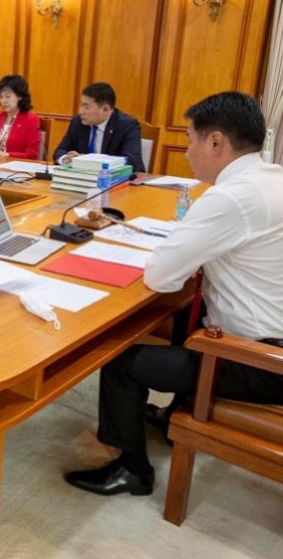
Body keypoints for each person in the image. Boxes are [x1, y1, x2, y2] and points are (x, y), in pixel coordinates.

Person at [63, 92, 283, 497]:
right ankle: (168, 418)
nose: (186, 153)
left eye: (190, 140)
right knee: (185, 317)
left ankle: (132, 469)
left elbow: (162, 277)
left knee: (121, 362)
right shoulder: (272, 178)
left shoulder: (230, 197)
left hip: (259, 361)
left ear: (216, 142)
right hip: (268, 340)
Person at [53, 82, 144, 172]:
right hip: (83, 177)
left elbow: (132, 160)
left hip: (114, 178)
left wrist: (92, 161)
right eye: (81, 105)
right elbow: (60, 150)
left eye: (86, 107)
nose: (81, 112)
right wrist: (67, 158)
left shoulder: (127, 125)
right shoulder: (77, 122)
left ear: (105, 109)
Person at [0, 75, 41, 159]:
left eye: (8, 97)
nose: (3, 101)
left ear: (20, 96)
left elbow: (32, 154)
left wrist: (6, 155)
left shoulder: (31, 120)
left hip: (17, 166)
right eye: (1, 97)